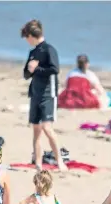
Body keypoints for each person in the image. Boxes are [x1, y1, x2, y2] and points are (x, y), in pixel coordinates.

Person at [21, 19, 68, 172]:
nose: (26, 41)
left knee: (47, 127)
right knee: (36, 129)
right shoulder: (33, 52)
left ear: (31, 35)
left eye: (26, 37)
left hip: (48, 93)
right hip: (35, 93)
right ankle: (38, 163)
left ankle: (59, 161)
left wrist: (37, 68)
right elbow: (26, 74)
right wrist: (30, 69)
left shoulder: (49, 49)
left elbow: (55, 69)